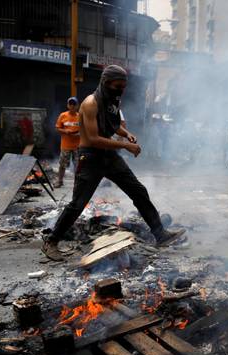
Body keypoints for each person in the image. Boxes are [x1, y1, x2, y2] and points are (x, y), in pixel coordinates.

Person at [41, 65, 185, 261]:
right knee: (78, 204)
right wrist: (124, 146)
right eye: (118, 86)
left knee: (138, 191)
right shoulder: (91, 103)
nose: (121, 90)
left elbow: (114, 125)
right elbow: (92, 138)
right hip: (90, 157)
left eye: (123, 86)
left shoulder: (112, 101)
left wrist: (127, 134)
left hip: (109, 156)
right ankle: (51, 242)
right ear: (106, 83)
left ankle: (160, 235)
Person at [55, 97, 81, 187]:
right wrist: (65, 131)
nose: (72, 106)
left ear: (77, 106)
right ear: (68, 105)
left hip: (77, 146)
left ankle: (77, 183)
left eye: (74, 104)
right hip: (65, 145)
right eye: (70, 104)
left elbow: (85, 130)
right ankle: (60, 181)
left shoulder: (80, 116)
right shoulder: (63, 115)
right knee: (62, 165)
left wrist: (79, 134)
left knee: (77, 166)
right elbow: (58, 128)